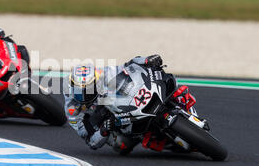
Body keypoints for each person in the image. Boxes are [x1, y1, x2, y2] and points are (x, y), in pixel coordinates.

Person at [64, 55, 196, 155]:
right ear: (71, 87)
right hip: (111, 120)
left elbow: (129, 65)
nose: (85, 95)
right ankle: (150, 137)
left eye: (89, 89)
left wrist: (146, 60)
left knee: (166, 79)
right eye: (80, 92)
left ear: (95, 82)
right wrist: (103, 131)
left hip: (124, 101)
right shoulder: (72, 109)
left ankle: (182, 106)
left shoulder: (103, 73)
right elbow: (90, 141)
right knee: (120, 144)